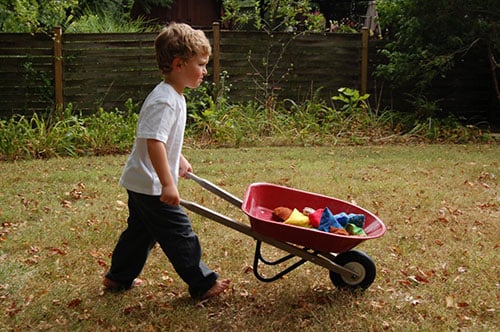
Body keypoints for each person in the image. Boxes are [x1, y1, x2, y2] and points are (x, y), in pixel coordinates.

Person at [102, 22, 230, 300]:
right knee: (179, 233)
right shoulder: (164, 100)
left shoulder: (174, 95)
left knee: (140, 233)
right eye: (201, 64)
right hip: (151, 185)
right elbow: (154, 142)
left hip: (142, 182)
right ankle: (203, 283)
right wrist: (167, 183)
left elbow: (162, 138)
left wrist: (179, 158)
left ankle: (118, 278)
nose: (205, 71)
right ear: (178, 63)